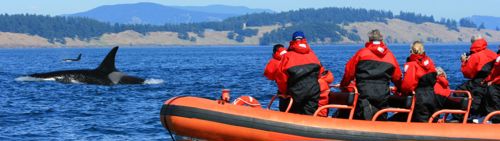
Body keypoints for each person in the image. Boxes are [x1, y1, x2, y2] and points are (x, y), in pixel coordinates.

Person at [340, 29, 402, 120]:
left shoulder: (362, 53)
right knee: (380, 119)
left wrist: (344, 85)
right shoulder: (390, 56)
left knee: (363, 116)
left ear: (369, 40)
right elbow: (397, 77)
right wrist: (400, 89)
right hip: (383, 94)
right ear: (382, 40)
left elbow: (349, 72)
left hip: (364, 92)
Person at [275, 31, 331, 116]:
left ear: (293, 41)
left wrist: (284, 92)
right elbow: (321, 73)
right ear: (304, 40)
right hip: (313, 92)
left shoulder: (287, 56)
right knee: (310, 115)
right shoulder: (313, 55)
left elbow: (281, 78)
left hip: (296, 93)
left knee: (292, 113)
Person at [458, 35, 496, 118]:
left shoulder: (475, 56)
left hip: (479, 82)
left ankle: (461, 116)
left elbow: (467, 73)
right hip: (492, 82)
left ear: (472, 43)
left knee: (460, 91)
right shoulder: (493, 54)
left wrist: (464, 62)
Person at [400, 41, 438, 122]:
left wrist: (402, 91)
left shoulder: (412, 64)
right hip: (432, 96)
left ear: (411, 51)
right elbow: (435, 78)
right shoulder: (430, 62)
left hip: (419, 97)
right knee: (432, 119)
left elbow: (408, 85)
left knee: (421, 120)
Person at [264, 44, 289, 111]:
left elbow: (269, 75)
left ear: (274, 53)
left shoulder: (274, 62)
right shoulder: (291, 56)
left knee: (284, 109)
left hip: (284, 92)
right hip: (298, 90)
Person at [483, 51, 500, 123]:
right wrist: (486, 80)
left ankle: (496, 119)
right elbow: (494, 71)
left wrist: (492, 81)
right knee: (489, 93)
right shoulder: (498, 57)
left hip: (497, 83)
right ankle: (492, 118)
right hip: (496, 82)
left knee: (493, 95)